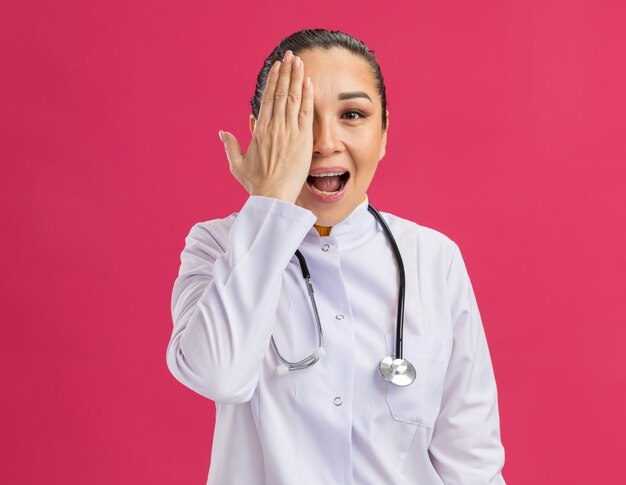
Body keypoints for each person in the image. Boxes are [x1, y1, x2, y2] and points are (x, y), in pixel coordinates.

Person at [166, 28, 506, 485]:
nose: (325, 142)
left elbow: (473, 464)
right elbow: (218, 374)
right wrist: (269, 201)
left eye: (352, 114)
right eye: (300, 118)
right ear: (263, 134)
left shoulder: (434, 260)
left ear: (384, 132)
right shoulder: (217, 246)